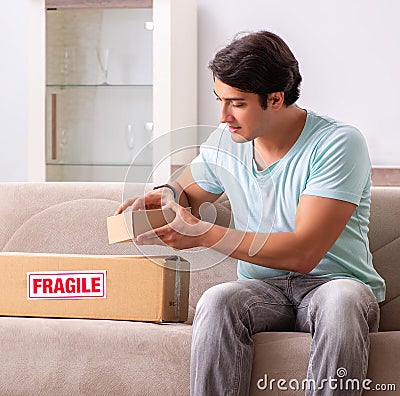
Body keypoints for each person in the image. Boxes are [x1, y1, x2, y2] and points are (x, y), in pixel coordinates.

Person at [115, 31, 386, 396]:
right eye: (220, 100)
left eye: (236, 103)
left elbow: (303, 253)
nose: (223, 116)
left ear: (275, 99)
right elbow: (184, 189)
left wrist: (204, 234)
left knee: (341, 302)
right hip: (264, 290)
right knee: (217, 300)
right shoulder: (228, 141)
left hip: (332, 284)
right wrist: (165, 196)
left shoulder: (338, 143)